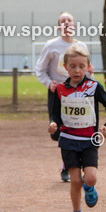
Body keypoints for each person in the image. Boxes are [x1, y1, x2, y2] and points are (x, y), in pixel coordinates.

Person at [47, 44, 106, 212]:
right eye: (73, 66)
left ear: (88, 67)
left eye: (81, 66)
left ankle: (90, 188)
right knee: (75, 181)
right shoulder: (60, 89)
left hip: (89, 140)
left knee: (90, 178)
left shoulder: (94, 86)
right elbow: (55, 113)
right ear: (65, 67)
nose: (77, 70)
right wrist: (54, 124)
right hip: (68, 140)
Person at [36, 12, 89, 182]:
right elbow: (40, 69)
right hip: (57, 92)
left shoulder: (81, 46)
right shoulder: (51, 46)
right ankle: (69, 163)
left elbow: (87, 70)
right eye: (63, 21)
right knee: (58, 131)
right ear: (59, 26)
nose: (66, 23)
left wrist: (89, 76)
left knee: (76, 128)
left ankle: (71, 166)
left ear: (74, 25)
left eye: (69, 20)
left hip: (77, 93)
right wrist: (48, 83)